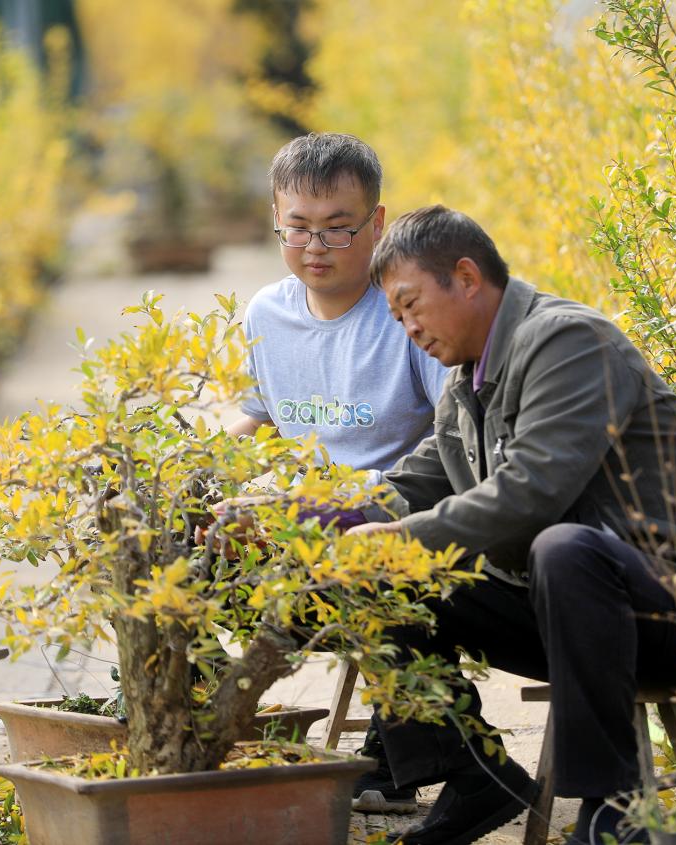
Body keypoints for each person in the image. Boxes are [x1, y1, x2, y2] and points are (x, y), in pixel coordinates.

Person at [347, 205, 676, 845]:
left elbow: (533, 489)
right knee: (377, 574)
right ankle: (475, 775)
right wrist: (311, 522)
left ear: (468, 277)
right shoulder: (462, 385)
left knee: (564, 548)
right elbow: (413, 485)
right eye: (397, 318)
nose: (409, 329)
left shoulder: (567, 341)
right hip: (559, 611)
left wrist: (403, 537)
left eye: (412, 305)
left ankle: (615, 805)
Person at [230, 132, 449, 813]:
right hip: (293, 527)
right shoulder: (266, 313)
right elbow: (252, 420)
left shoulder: (406, 312)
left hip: (394, 524)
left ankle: (409, 757)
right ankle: (192, 730)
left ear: (378, 224)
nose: (315, 246)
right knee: (167, 540)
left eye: (338, 227)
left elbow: (456, 436)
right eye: (297, 227)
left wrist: (362, 504)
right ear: (275, 218)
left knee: (372, 556)